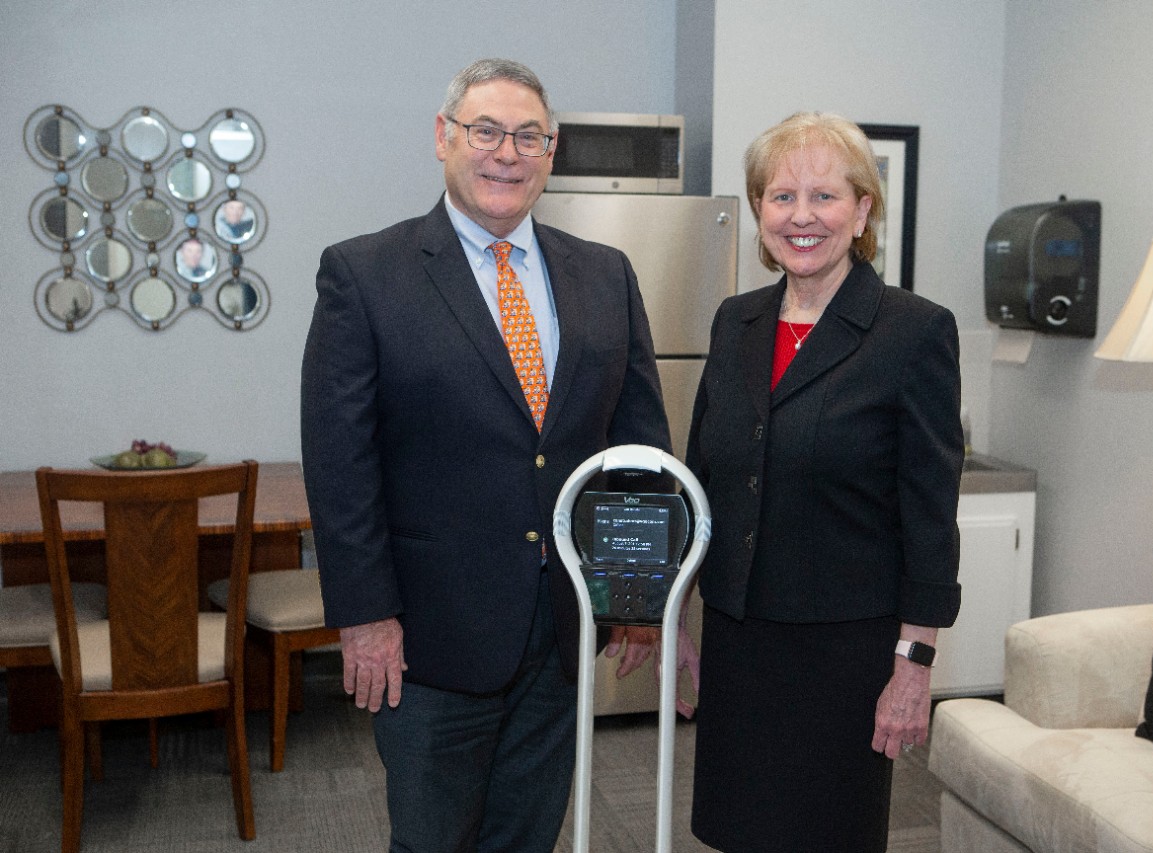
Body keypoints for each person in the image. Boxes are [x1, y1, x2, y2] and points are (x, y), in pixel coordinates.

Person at [300, 58, 671, 853]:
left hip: (563, 631)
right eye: (486, 131)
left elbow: (636, 448)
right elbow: (340, 465)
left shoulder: (605, 274)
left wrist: (635, 596)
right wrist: (366, 616)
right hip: (430, 635)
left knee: (527, 835)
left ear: (551, 150)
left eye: (528, 136)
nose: (508, 152)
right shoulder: (364, 275)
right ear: (444, 138)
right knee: (433, 839)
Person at [685, 112, 964, 853]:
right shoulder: (734, 322)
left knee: (824, 835)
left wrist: (914, 667)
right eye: (781, 197)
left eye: (824, 196)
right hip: (740, 642)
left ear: (863, 209)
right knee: (737, 831)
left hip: (845, 655)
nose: (801, 216)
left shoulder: (913, 332)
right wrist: (679, 615)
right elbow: (703, 480)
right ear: (758, 210)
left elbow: (930, 519)